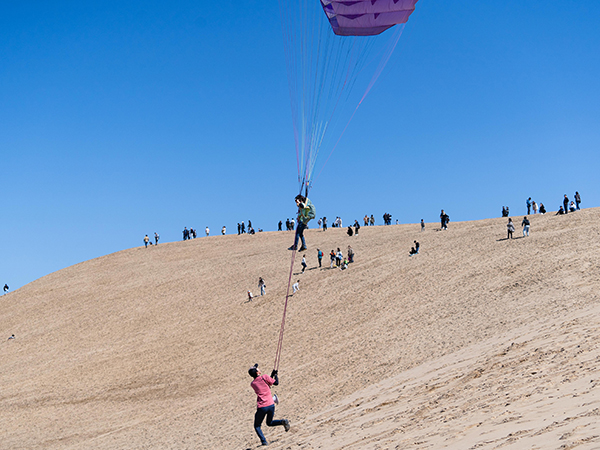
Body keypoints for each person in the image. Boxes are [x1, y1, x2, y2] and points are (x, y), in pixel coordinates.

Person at [249, 364, 290, 446]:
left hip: (262, 407)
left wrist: (272, 375)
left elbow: (265, 384)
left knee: (257, 426)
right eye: (257, 368)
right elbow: (275, 383)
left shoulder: (253, 384)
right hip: (271, 404)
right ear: (257, 372)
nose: (259, 369)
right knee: (269, 422)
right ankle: (282, 422)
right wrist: (275, 375)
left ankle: (264, 442)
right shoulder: (265, 377)